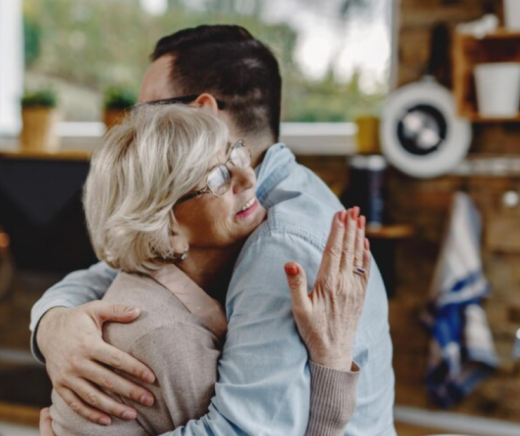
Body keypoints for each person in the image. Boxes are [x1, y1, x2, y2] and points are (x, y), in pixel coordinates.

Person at [31, 25, 395, 436]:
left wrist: (331, 365)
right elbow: (128, 267)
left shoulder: (277, 245)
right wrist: (53, 323)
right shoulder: (255, 204)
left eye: (151, 110)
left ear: (202, 112)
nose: (143, 128)